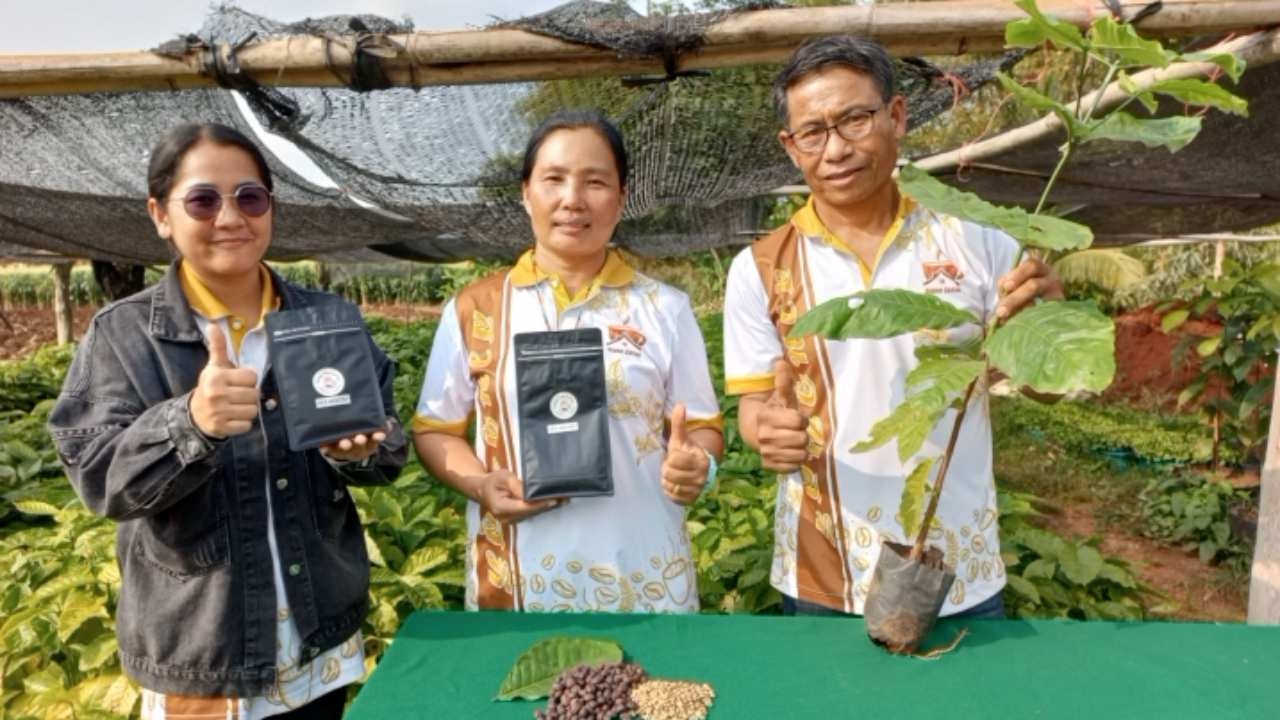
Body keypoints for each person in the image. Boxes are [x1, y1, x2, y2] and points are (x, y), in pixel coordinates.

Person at [48, 123, 407, 719]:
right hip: (206, 652)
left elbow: (388, 447)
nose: (230, 216)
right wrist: (191, 423)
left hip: (317, 638)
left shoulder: (326, 317)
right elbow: (98, 476)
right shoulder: (125, 335)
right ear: (161, 214)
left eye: (250, 197)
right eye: (203, 200)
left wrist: (357, 452)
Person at [723, 36, 1064, 618]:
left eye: (855, 119)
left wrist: (1046, 335)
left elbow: (1043, 386)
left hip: (957, 566)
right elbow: (756, 408)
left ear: (897, 117)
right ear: (791, 146)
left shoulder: (979, 242)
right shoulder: (759, 268)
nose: (836, 149)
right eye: (813, 132)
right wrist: (767, 433)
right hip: (821, 571)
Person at [413, 110, 723, 613]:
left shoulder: (665, 308)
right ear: (526, 192)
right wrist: (480, 485)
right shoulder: (476, 309)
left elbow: (703, 426)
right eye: (553, 179)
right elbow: (435, 430)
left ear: (622, 197)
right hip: (517, 582)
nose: (572, 200)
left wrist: (699, 464)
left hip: (644, 579)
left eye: (595, 182)